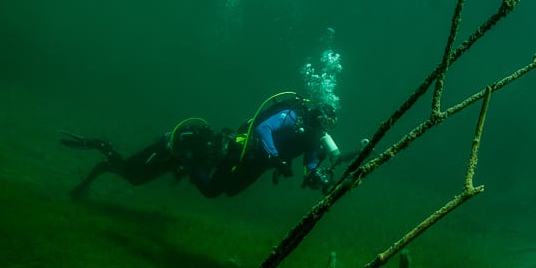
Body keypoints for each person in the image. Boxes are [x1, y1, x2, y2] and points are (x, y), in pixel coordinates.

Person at [60, 93, 340, 199]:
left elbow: (311, 162)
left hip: (258, 164)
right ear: (317, 113)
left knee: (226, 192)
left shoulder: (313, 136)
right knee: (209, 190)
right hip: (248, 153)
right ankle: (100, 145)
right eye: (326, 118)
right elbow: (263, 128)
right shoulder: (292, 116)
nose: (327, 125)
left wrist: (316, 177)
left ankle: (185, 161)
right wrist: (277, 157)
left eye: (331, 122)